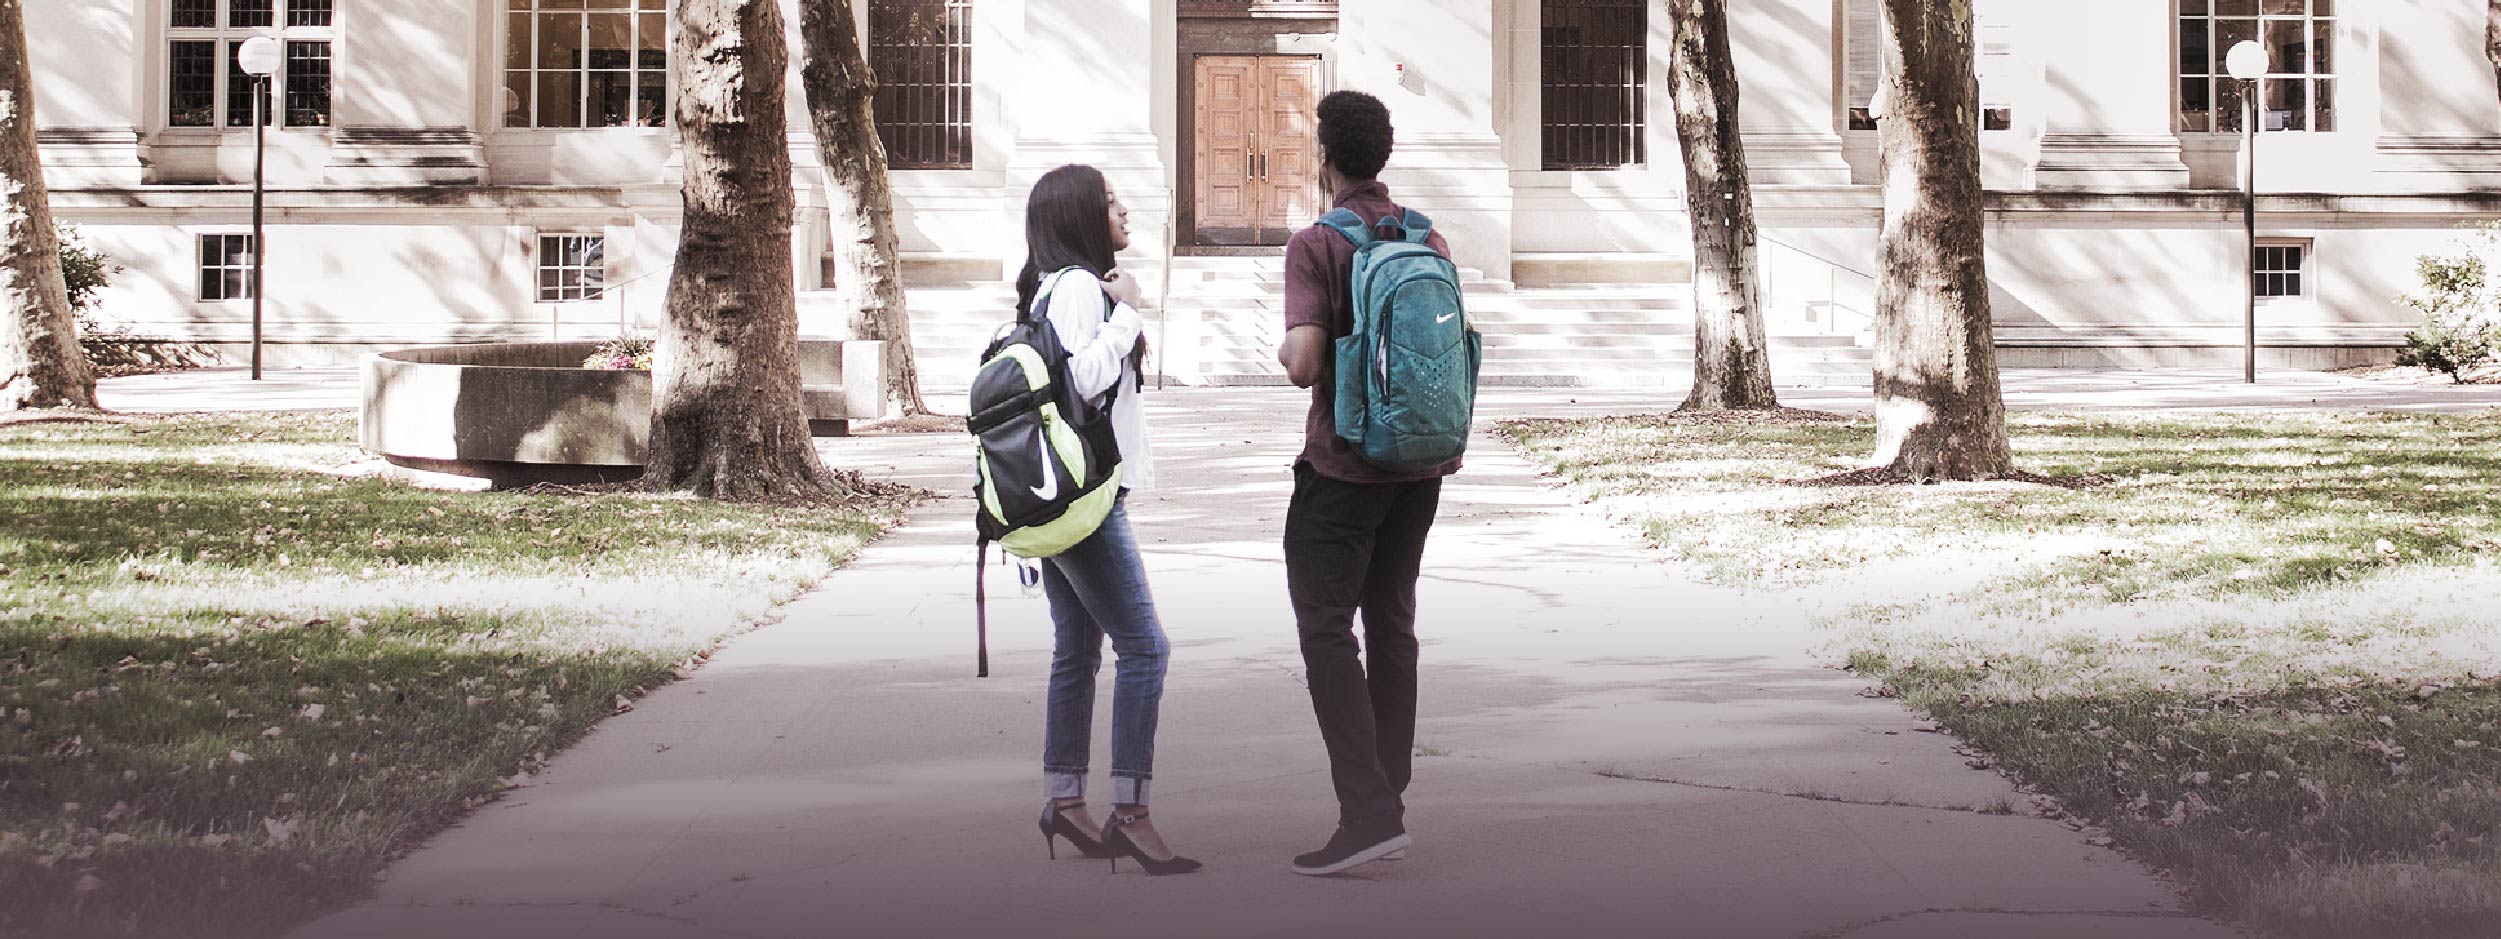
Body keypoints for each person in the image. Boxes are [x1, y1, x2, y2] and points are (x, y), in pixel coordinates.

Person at [1275, 91, 1458, 876]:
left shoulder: (1317, 243)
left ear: (1326, 157)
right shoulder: (1428, 235)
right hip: (1419, 464)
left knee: (1324, 628)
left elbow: (1304, 364)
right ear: (1382, 154)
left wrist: (1287, 342)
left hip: (1343, 466)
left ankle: (1368, 810)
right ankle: (1390, 795)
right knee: (1391, 624)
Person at [1017, 164, 1200, 876]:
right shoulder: (1072, 289)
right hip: (1085, 496)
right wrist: (1127, 313)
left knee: (1078, 648)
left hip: (1067, 490)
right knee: (1145, 649)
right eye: (1110, 201)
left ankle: (1064, 800)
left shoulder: (1060, 286)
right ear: (1078, 218)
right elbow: (1081, 380)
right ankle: (1130, 812)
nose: (1125, 209)